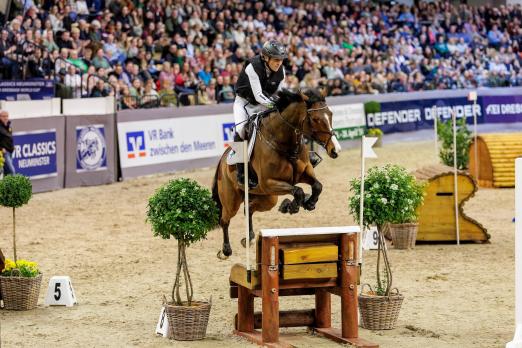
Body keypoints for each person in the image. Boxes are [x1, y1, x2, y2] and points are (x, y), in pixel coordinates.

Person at [233, 39, 287, 188]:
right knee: (241, 129)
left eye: (281, 60)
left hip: (264, 103)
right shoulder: (253, 67)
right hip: (245, 103)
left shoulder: (281, 71)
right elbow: (258, 96)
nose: (279, 63)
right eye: (276, 59)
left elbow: (280, 93)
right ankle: (241, 172)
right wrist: (277, 106)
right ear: (265, 57)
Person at [0, 110, 15, 175]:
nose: (5, 118)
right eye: (3, 116)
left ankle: (6, 185)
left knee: (6, 174)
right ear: (0, 117)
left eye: (7, 116)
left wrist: (12, 147)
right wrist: (1, 148)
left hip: (10, 151)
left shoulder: (9, 126)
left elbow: (9, 138)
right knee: (12, 172)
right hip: (4, 153)